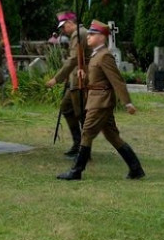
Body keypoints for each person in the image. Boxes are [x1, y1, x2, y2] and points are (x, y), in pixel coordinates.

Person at [58, 20, 144, 180]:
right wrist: (84, 77)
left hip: (101, 102)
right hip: (96, 100)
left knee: (87, 132)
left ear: (102, 38)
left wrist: (127, 102)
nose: (88, 37)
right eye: (88, 34)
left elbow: (117, 80)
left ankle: (76, 171)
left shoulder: (105, 56)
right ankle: (136, 169)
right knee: (113, 136)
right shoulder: (96, 55)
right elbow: (97, 80)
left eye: (92, 34)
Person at [45, 11, 90, 157]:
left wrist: (56, 78)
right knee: (66, 107)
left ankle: (84, 150)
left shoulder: (78, 34)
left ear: (70, 23)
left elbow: (73, 59)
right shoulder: (80, 32)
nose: (63, 31)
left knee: (82, 114)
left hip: (81, 79)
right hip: (75, 78)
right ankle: (78, 144)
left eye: (63, 27)